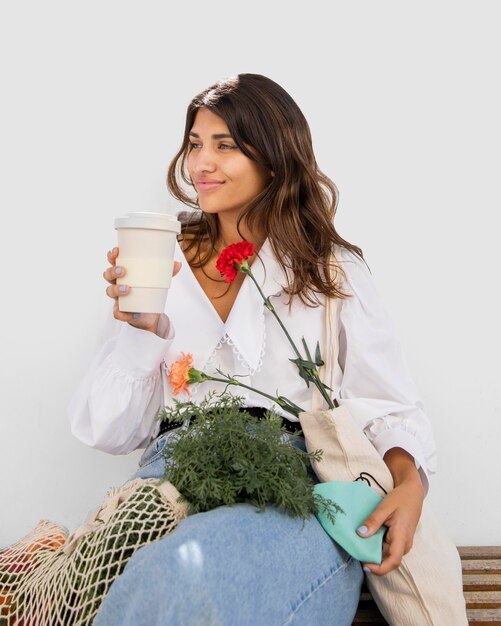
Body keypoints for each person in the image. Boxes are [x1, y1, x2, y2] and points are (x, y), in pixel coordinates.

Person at [68, 73, 438, 625]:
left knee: (186, 575)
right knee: (165, 576)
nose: (201, 164)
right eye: (194, 144)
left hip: (293, 486)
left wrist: (410, 486)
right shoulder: (155, 260)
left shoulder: (332, 271)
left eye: (225, 145)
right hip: (170, 483)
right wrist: (142, 331)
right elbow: (108, 431)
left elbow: (390, 409)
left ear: (274, 156)